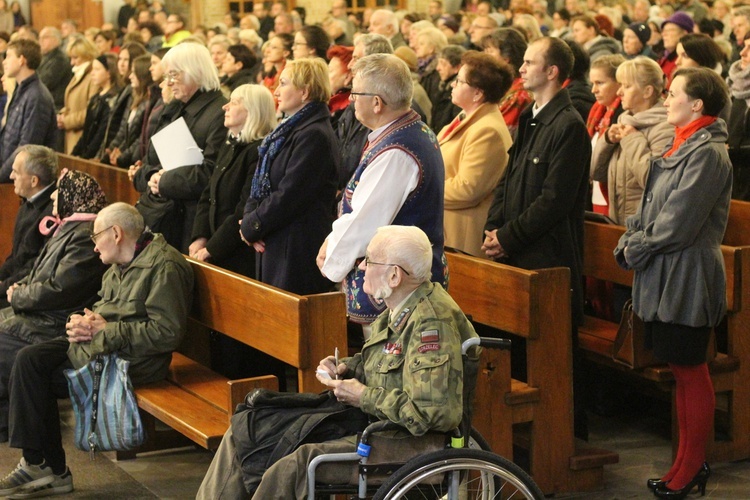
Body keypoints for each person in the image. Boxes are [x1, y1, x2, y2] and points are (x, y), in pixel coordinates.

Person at [198, 224, 477, 500]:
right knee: (248, 429)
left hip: (408, 443)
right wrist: (344, 367)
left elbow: (432, 413)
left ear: (394, 275)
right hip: (376, 425)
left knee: (291, 466)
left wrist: (362, 396)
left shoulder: (431, 323)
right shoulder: (400, 305)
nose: (363, 267)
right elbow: (384, 360)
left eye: (370, 260)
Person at [0, 202, 193, 497]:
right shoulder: (120, 262)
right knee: (28, 359)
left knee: (37, 379)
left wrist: (105, 330)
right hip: (100, 347)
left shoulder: (164, 266)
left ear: (116, 233)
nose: (93, 247)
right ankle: (40, 464)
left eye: (95, 237)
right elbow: (104, 309)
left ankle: (47, 467)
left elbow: (166, 334)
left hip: (133, 360)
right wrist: (81, 322)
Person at [614, 68, 731, 498]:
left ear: (697, 104)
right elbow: (652, 207)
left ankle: (692, 467)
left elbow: (678, 224)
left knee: (691, 370)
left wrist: (635, 247)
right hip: (666, 271)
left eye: (674, 92)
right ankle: (682, 465)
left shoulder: (707, 154)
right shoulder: (681, 143)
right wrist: (632, 235)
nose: (667, 98)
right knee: (680, 372)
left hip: (687, 274)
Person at [482, 36, 590, 438]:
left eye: (529, 62)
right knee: (519, 348)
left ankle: (561, 435)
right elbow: (508, 178)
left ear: (553, 72)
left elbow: (554, 201)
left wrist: (507, 237)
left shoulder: (569, 126)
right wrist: (492, 229)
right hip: (516, 252)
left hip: (547, 257)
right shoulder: (531, 115)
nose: (521, 69)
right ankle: (527, 430)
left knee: (555, 354)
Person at [317, 53, 447, 334]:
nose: (350, 99)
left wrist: (331, 259)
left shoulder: (397, 151)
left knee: (388, 371)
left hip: (398, 289)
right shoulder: (408, 130)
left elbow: (367, 221)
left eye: (355, 93)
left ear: (376, 102)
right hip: (396, 283)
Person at [0, 168, 108, 444]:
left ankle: (8, 423)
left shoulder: (84, 235)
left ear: (73, 196)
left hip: (53, 323)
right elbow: (38, 271)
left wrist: (20, 296)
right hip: (40, 315)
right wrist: (19, 289)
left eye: (60, 192)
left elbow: (61, 289)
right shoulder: (68, 227)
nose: (55, 197)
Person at [239, 58, 338, 296]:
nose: (275, 90)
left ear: (304, 92)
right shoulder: (287, 130)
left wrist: (253, 225)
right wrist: (249, 221)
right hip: (275, 239)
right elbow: (259, 184)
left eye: (283, 83)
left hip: (295, 247)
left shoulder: (314, 135)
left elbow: (290, 194)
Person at [132, 42, 228, 252]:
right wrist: (151, 175)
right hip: (166, 213)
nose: (168, 83)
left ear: (195, 72)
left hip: (192, 223)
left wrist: (164, 180)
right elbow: (155, 159)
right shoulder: (175, 109)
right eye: (167, 77)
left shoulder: (219, 113)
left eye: (174, 75)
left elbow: (212, 173)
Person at [439, 51, 512, 257]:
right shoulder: (465, 118)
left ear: (478, 93)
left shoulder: (487, 130)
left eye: (460, 81)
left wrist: (421, 188)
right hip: (447, 231)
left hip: (462, 239)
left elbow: (467, 190)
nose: (453, 84)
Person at [605, 56, 673, 225]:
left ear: (647, 91)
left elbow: (654, 181)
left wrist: (633, 140)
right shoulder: (624, 121)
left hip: (645, 227)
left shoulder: (665, 128)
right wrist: (607, 140)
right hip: (618, 223)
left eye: (626, 86)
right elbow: (595, 173)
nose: (619, 92)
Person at [0, 146, 57, 307]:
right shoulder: (28, 203)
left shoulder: (52, 213)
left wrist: (3, 286)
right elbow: (16, 256)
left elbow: (37, 268)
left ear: (34, 181)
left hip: (28, 294)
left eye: (16, 172)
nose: (11, 176)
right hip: (13, 286)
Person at [0, 39, 57, 182]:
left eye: (8, 56)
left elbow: (28, 145)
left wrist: (2, 174)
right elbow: (8, 135)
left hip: (24, 177)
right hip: (12, 173)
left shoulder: (37, 96)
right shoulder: (21, 90)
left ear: (21, 60)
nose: (4, 62)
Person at [587, 54, 625, 215]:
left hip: (613, 197)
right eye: (593, 83)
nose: (593, 90)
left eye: (600, 83)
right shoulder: (598, 110)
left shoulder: (622, 116)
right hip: (595, 195)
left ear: (619, 83)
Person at [70, 54, 123, 159]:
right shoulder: (96, 98)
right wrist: (74, 153)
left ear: (109, 73)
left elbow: (101, 134)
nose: (92, 73)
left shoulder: (112, 100)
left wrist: (86, 156)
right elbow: (86, 131)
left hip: (95, 156)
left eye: (97, 69)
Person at [482, 28, 531, 137]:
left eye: (490, 51)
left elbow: (496, 133)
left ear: (506, 57)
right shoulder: (497, 85)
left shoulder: (519, 94)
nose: (484, 56)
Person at [57, 37, 99, 154]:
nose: (72, 62)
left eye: (75, 58)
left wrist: (67, 121)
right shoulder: (78, 74)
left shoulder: (92, 78)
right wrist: (62, 114)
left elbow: (91, 111)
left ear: (87, 55)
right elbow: (71, 104)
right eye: (71, 58)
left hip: (81, 137)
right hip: (71, 135)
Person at [727, 37, 750, 200]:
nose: (742, 53)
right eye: (744, 46)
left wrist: (732, 151)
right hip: (734, 179)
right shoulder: (733, 87)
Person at [36, 27, 73, 125]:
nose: (40, 41)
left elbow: (44, 81)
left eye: (45, 38)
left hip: (56, 107)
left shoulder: (59, 59)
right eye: (39, 38)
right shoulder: (45, 57)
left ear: (56, 39)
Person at [431, 44, 464, 133]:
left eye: (443, 63)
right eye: (438, 63)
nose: (438, 68)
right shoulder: (441, 86)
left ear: (457, 67)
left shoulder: (460, 93)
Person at [659, 12, 694, 84]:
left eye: (670, 30)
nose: (664, 34)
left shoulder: (688, 63)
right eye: (664, 31)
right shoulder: (663, 59)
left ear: (685, 33)